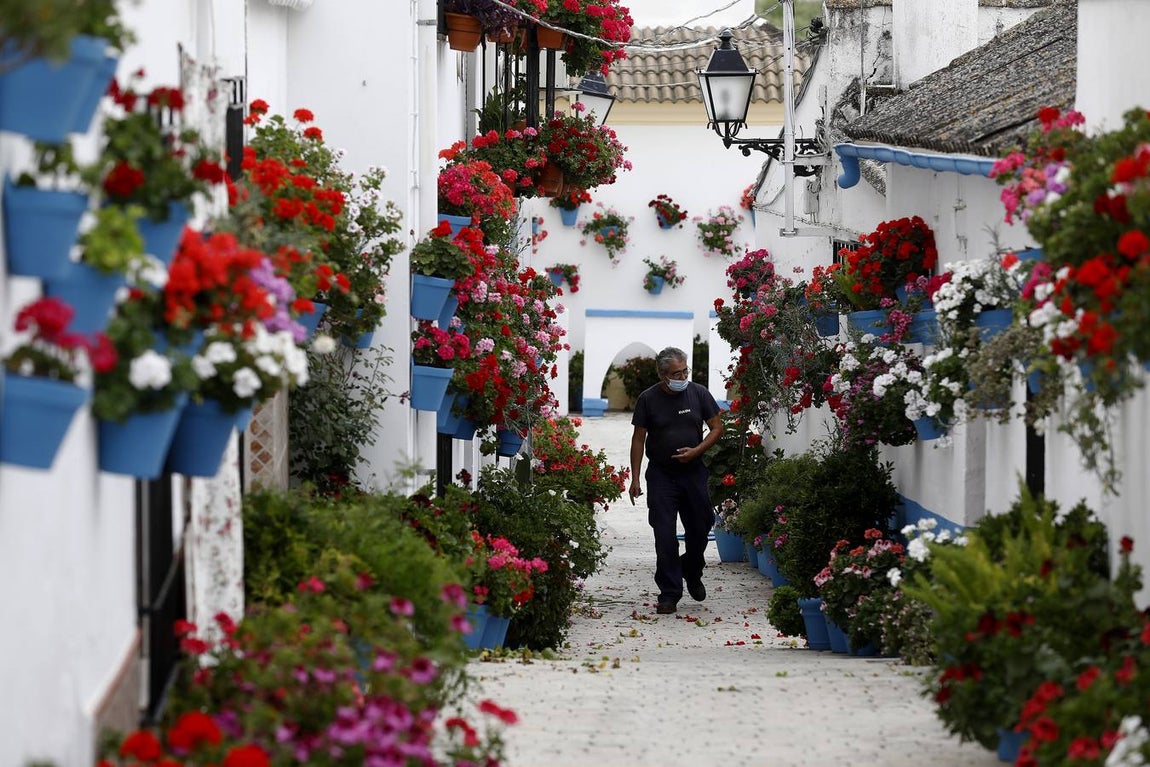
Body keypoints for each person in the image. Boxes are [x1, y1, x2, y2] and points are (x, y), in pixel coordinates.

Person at [628, 346, 724, 614]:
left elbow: (717, 427)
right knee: (664, 534)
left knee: (700, 527)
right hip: (661, 475)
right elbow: (639, 438)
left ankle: (691, 569)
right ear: (662, 375)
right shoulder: (648, 399)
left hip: (693, 472)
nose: (682, 376)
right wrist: (635, 478)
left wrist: (697, 451)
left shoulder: (699, 393)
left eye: (685, 371)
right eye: (676, 373)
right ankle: (669, 593)